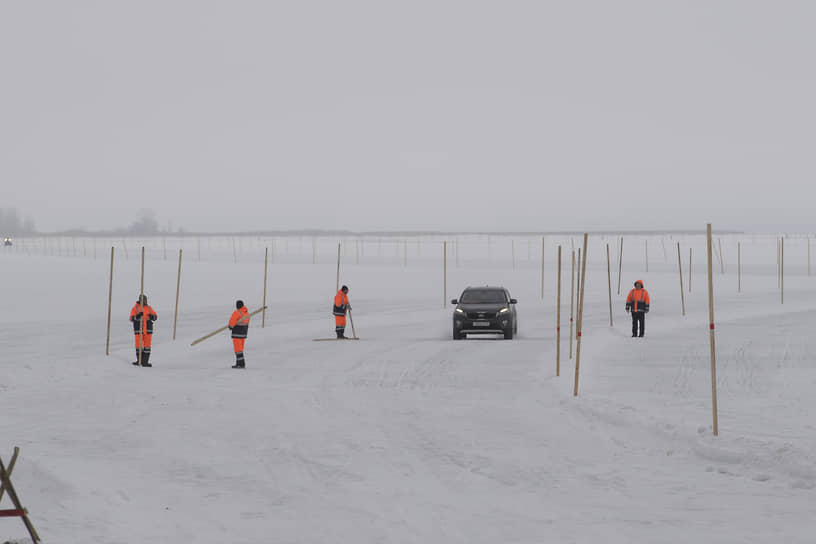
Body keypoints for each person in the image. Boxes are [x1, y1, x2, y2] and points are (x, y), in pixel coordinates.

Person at [130, 295, 157, 366]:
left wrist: (152, 317)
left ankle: (145, 361)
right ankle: (139, 361)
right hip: (139, 330)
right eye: (144, 300)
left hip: (148, 330)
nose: (146, 301)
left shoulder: (149, 308)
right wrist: (137, 316)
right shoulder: (135, 308)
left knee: (147, 346)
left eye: (146, 300)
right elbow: (131, 318)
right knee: (138, 346)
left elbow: (155, 316)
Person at [228, 300, 250, 369]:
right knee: (240, 349)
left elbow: (232, 321)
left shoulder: (237, 312)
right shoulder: (246, 313)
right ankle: (239, 363)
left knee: (238, 350)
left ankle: (241, 364)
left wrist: (230, 326)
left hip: (237, 333)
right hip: (243, 334)